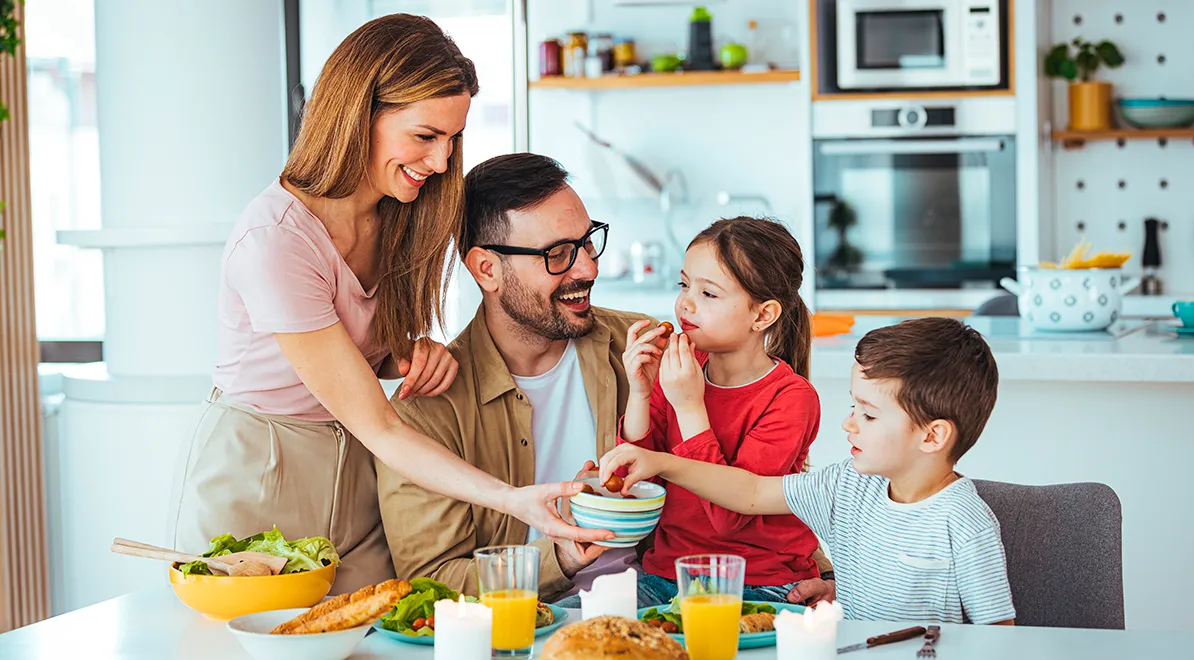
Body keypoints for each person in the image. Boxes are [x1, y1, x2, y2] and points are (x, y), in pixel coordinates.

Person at [167, 16, 603, 595]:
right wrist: (514, 500)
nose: (444, 162)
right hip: (263, 467)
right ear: (358, 116)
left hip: (361, 469)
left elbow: (358, 374)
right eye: (425, 137)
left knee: (371, 637)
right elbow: (380, 423)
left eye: (454, 139)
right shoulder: (276, 240)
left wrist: (402, 355)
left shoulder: (404, 213)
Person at [377, 154, 834, 604]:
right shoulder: (426, 409)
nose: (588, 269)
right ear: (486, 269)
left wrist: (830, 576)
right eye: (557, 254)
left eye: (588, 242)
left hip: (673, 600)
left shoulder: (647, 348)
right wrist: (561, 556)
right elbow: (431, 583)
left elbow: (759, 485)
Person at [601, 317, 1017, 624]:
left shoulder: (964, 522)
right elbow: (748, 491)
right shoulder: (845, 484)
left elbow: (1000, 637)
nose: (849, 423)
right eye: (854, 407)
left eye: (869, 415)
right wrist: (660, 461)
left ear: (932, 437)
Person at [617, 217, 826, 607]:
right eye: (684, 284)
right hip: (667, 575)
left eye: (709, 294)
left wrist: (690, 406)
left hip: (760, 585)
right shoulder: (679, 370)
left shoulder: (791, 398)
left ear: (762, 315)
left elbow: (731, 516)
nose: (686, 302)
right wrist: (641, 392)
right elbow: (639, 485)